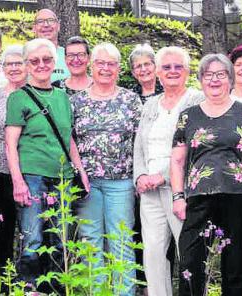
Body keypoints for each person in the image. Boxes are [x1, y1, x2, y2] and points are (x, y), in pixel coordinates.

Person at [171, 53, 242, 296]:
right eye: (208, 75)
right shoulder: (188, 116)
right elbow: (177, 160)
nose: (214, 80)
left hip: (239, 197)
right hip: (198, 198)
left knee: (235, 265)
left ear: (230, 79)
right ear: (201, 80)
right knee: (191, 262)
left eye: (221, 74)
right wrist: (177, 196)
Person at [4, 38, 89, 289]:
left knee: (60, 239)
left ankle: (56, 290)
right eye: (35, 60)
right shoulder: (19, 98)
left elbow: (68, 138)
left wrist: (80, 171)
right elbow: (10, 144)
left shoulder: (63, 97)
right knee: (33, 238)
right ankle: (29, 289)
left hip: (61, 177)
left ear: (55, 63)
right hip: (32, 176)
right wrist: (18, 182)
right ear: (28, 65)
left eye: (47, 59)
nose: (41, 64)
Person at [71, 42, 142, 294]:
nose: (105, 68)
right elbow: (69, 140)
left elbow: (140, 142)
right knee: (91, 243)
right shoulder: (76, 102)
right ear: (91, 65)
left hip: (121, 182)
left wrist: (138, 177)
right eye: (100, 63)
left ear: (119, 68)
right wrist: (78, 173)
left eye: (111, 64)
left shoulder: (130, 100)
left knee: (121, 242)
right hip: (87, 184)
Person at [133, 46, 203, 296]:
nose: (172, 71)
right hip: (149, 192)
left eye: (178, 66)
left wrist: (162, 176)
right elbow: (139, 144)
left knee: (188, 252)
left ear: (187, 71)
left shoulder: (196, 100)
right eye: (166, 67)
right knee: (152, 253)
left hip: (180, 190)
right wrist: (140, 176)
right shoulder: (151, 104)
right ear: (158, 73)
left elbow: (195, 145)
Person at [0, 44, 26, 278]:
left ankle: (30, 281)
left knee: (32, 230)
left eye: (18, 63)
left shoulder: (36, 93)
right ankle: (4, 283)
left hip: (31, 169)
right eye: (8, 64)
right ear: (2, 68)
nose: (13, 68)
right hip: (2, 170)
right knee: (4, 229)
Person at [32, 9, 68, 82]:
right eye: (40, 21)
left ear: (58, 26)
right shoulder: (25, 55)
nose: (46, 25)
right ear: (34, 28)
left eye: (51, 20)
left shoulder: (69, 56)